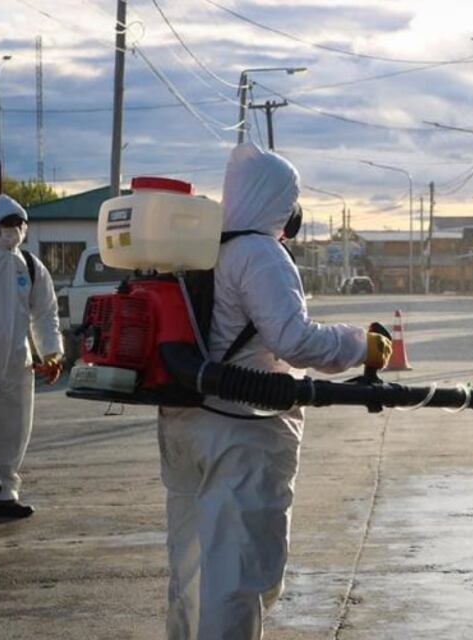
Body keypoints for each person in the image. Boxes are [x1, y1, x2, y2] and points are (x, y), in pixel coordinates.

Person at [157, 143, 392, 639]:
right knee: (240, 573)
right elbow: (294, 340)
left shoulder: (203, 249)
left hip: (186, 424)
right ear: (276, 199)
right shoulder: (259, 253)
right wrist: (360, 345)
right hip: (242, 432)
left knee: (192, 567)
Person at [0, 195, 63, 527]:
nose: (14, 230)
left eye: (19, 223)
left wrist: (51, 353)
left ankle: (3, 496)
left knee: (12, 432)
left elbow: (45, 313)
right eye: (7, 223)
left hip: (17, 364)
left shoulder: (28, 265)